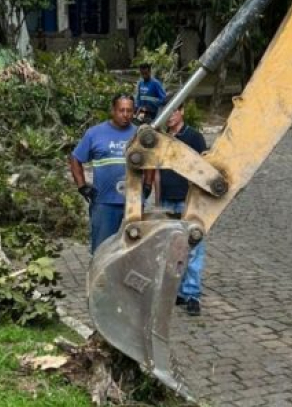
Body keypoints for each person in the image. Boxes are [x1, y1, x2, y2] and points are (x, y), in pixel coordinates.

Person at [152, 102, 208, 315]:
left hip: (189, 201)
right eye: (165, 112)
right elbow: (157, 172)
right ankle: (177, 291)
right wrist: (158, 202)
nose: (169, 116)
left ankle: (192, 294)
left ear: (182, 111)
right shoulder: (162, 140)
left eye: (173, 111)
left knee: (194, 248)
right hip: (168, 200)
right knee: (173, 248)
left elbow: (204, 169)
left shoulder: (194, 137)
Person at [70, 94, 143, 253]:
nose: (125, 115)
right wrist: (82, 186)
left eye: (129, 111)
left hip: (133, 203)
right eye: (121, 110)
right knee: (102, 250)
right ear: (113, 110)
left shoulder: (140, 135)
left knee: (133, 251)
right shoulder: (95, 133)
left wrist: (148, 185)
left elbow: (151, 161)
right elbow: (75, 159)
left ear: (134, 112)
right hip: (104, 203)